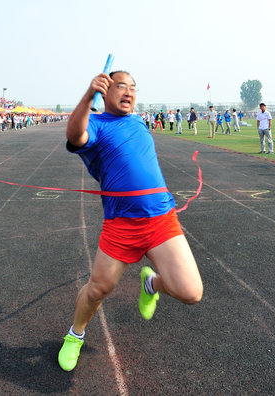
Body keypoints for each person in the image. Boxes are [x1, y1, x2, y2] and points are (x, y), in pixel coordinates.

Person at [58, 70, 202, 372]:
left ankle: (152, 283)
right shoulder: (95, 123)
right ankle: (75, 335)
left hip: (162, 219)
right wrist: (87, 96)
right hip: (121, 224)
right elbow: (74, 136)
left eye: (133, 87)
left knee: (191, 292)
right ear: (105, 91)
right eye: (121, 86)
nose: (129, 92)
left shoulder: (138, 120)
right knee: (99, 289)